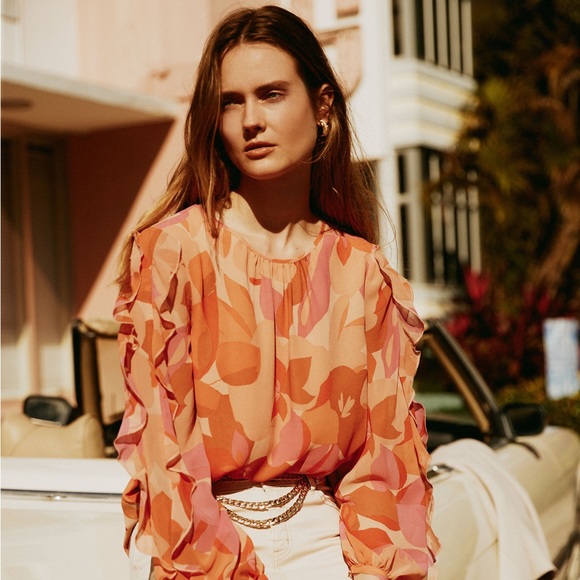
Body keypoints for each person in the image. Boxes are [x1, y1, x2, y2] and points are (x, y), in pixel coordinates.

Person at [114, 5, 438, 579]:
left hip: (330, 547)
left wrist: (374, 570)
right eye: (230, 102)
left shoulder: (362, 271)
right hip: (200, 551)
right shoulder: (173, 254)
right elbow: (164, 450)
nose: (250, 121)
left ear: (323, 105)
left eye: (271, 94)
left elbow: (383, 460)